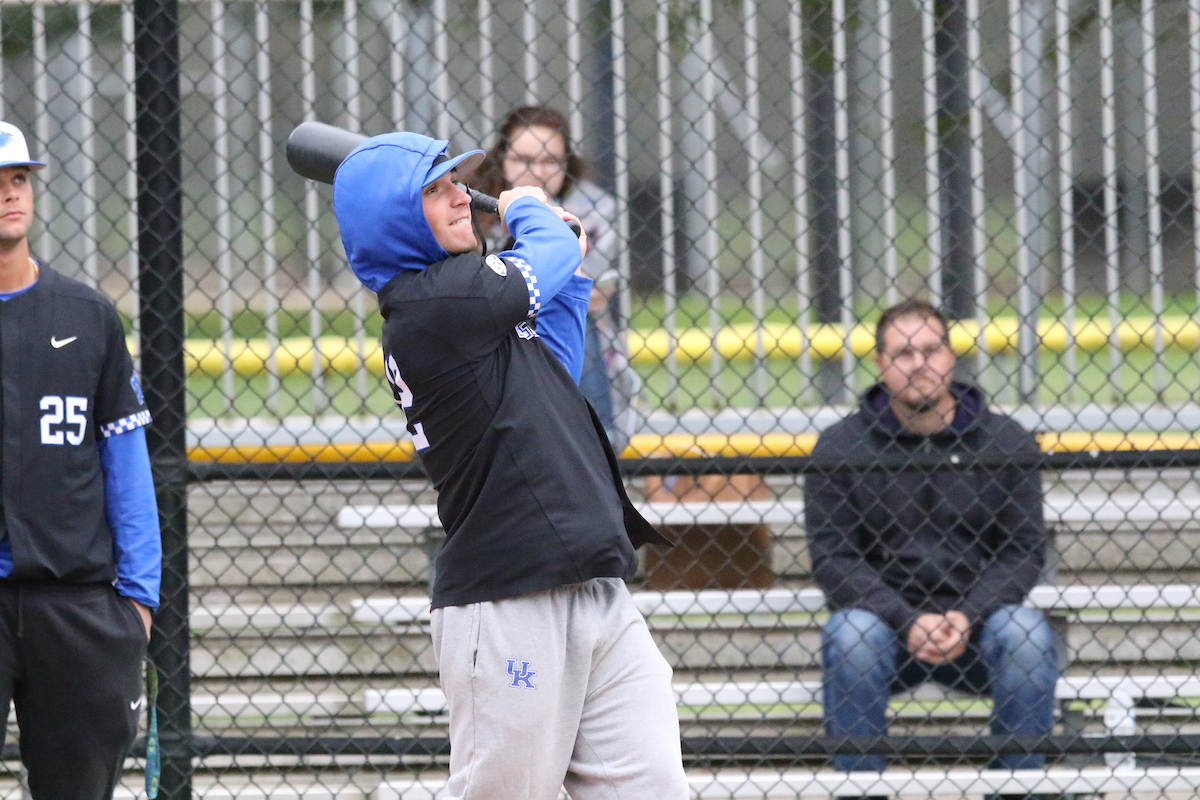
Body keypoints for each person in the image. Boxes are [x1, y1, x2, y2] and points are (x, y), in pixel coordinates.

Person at [333, 131, 687, 800]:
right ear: (393, 219)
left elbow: (555, 367)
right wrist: (528, 205)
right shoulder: (433, 304)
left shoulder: (471, 302)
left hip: (592, 582)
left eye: (456, 183)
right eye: (434, 190)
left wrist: (566, 275)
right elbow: (541, 251)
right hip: (507, 597)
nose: (461, 197)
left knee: (652, 787)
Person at [804, 298, 1057, 775]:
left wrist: (968, 615)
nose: (919, 364)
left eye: (930, 350)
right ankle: (860, 789)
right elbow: (833, 558)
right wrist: (906, 620)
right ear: (880, 363)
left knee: (1025, 633)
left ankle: (1018, 788)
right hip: (885, 631)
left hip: (980, 629)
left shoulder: (1006, 441)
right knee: (852, 635)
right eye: (903, 353)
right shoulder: (840, 446)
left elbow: (1022, 551)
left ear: (951, 357)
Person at [0, 121, 161, 797]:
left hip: (76, 601)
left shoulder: (87, 315)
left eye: (19, 178)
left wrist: (139, 602)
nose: (11, 194)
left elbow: (127, 466)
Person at [474, 105, 641, 450]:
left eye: (550, 161)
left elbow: (591, 293)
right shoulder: (477, 209)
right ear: (503, 160)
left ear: (567, 165)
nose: (536, 172)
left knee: (580, 315)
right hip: (494, 332)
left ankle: (598, 442)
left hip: (569, 329)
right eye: (523, 160)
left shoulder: (595, 208)